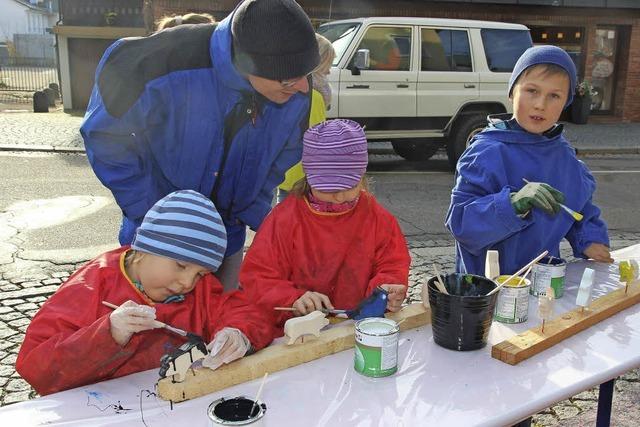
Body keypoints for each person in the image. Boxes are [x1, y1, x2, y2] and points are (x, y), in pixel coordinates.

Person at [80, 0, 320, 291]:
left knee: (220, 324)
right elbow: (106, 137)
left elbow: (283, 156)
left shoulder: (295, 89)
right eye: (288, 80)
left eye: (306, 75)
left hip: (227, 241)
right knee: (149, 330)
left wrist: (252, 210)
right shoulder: (158, 62)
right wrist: (155, 216)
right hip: (160, 247)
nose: (304, 89)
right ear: (248, 63)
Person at [16, 191, 275, 396]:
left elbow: (246, 312)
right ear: (143, 249)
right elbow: (35, 367)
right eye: (181, 265)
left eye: (200, 274)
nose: (187, 283)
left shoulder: (202, 290)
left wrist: (239, 333)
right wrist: (107, 334)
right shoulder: (89, 287)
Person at [445, 45, 613, 276]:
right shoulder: (485, 153)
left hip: (542, 282)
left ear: (566, 103)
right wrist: (511, 204)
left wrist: (588, 239)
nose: (540, 104)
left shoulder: (564, 157)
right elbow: (461, 224)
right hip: (486, 287)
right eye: (532, 91)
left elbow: (579, 208)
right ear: (512, 92)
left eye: (554, 96)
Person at [240, 119, 411, 331]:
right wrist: (292, 298)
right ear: (310, 179)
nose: (340, 197)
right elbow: (257, 276)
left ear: (361, 176)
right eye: (328, 189)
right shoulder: (284, 219)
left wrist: (385, 289)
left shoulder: (377, 218)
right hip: (298, 332)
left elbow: (391, 263)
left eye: (350, 186)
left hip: (356, 327)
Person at [277, 33, 336, 203]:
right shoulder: (314, 95)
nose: (330, 70)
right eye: (328, 64)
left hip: (286, 169)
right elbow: (316, 137)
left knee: (284, 216)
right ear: (317, 63)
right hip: (303, 174)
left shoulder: (289, 87)